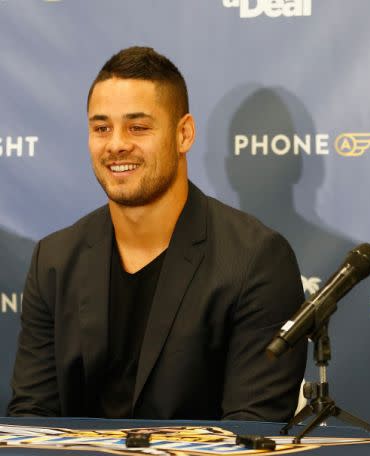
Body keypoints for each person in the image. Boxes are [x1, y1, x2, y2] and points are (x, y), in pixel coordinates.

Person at [7, 46, 307, 421]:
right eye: (101, 128)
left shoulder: (255, 259)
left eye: (138, 127)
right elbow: (32, 417)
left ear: (184, 134)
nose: (116, 144)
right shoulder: (54, 259)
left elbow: (253, 428)